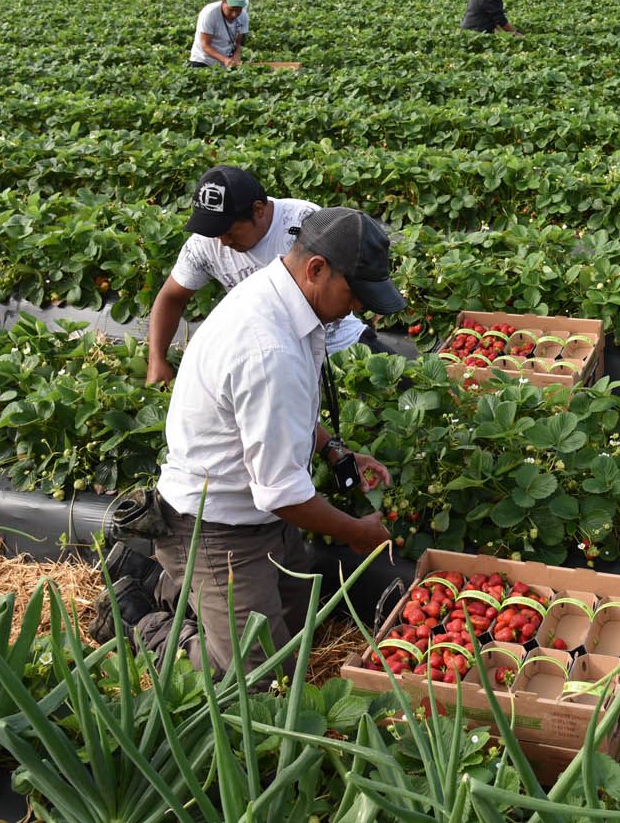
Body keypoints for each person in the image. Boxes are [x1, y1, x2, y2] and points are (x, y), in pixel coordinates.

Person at [97, 207, 407, 674]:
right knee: (259, 678)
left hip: (259, 515)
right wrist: (356, 532)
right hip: (214, 527)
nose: (358, 308)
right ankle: (142, 618)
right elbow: (282, 492)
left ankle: (160, 579)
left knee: (302, 631)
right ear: (317, 269)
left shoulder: (285, 298)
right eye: (355, 293)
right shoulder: (268, 347)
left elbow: (280, 413)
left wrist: (331, 447)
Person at [145, 165, 376, 386]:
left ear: (258, 209)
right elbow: (171, 297)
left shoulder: (306, 223)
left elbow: (347, 288)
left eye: (229, 231)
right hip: (268, 360)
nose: (222, 242)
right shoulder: (207, 242)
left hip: (338, 345)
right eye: (214, 232)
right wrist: (157, 360)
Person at [189, 0, 249, 69]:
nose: (234, 14)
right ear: (223, 2)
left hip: (225, 62)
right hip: (203, 61)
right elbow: (205, 45)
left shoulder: (243, 15)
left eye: (239, 10)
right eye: (231, 9)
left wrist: (236, 57)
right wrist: (225, 59)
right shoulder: (209, 13)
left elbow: (238, 42)